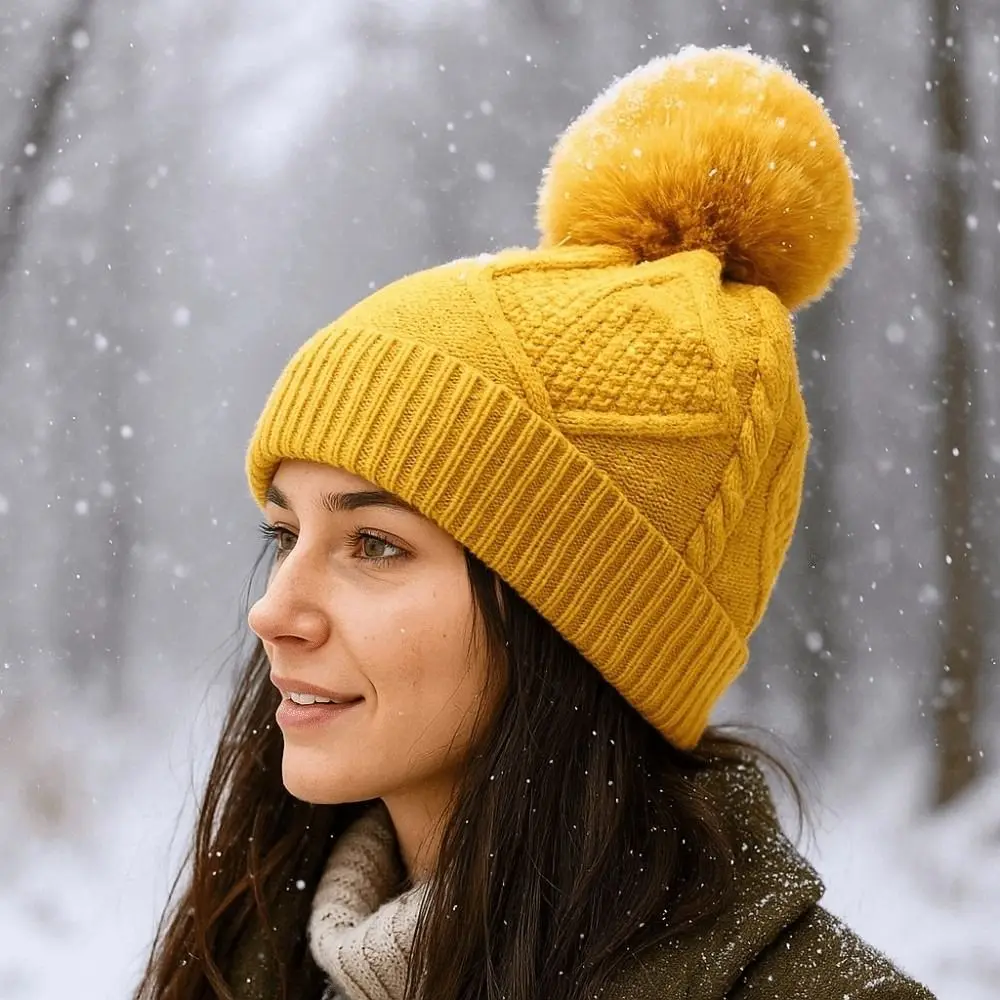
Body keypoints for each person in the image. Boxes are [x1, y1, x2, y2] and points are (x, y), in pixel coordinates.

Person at [135, 45, 935, 1000]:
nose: (274, 612)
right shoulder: (247, 957)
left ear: (583, 621)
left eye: (375, 545)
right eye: (284, 535)